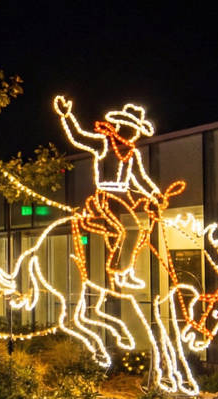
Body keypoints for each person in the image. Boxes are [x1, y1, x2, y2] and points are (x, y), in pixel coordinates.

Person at [55, 95, 178, 290]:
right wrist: (66, 116)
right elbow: (79, 137)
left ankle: (125, 272)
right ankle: (117, 269)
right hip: (106, 196)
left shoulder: (132, 152)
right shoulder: (104, 143)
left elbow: (141, 178)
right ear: (123, 126)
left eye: (138, 130)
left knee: (141, 230)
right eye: (134, 129)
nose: (136, 133)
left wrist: (156, 194)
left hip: (122, 196)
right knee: (132, 230)